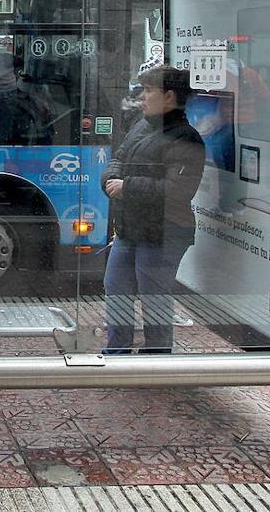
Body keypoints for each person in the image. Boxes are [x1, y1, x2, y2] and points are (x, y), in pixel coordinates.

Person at [100, 65, 206, 354]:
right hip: (130, 228)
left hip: (164, 231)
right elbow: (118, 158)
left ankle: (157, 358)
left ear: (169, 96)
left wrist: (127, 186)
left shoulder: (186, 138)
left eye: (149, 91)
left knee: (154, 296)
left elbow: (177, 191)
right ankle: (117, 352)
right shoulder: (142, 124)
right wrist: (110, 178)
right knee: (116, 287)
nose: (142, 98)